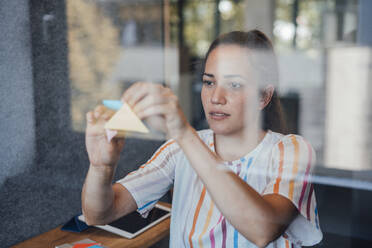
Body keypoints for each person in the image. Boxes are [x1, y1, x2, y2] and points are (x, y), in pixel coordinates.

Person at [82, 30, 322, 248]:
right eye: (209, 82)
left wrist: (184, 133)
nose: (216, 97)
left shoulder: (291, 150)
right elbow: (98, 214)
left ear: (264, 97)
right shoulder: (180, 148)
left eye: (234, 84)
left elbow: (262, 230)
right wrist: (101, 167)